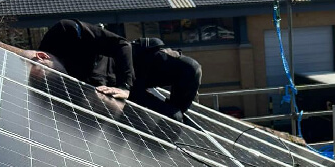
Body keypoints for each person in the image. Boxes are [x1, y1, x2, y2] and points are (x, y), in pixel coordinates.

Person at [23, 19, 202, 122]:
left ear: (42, 56)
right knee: (173, 118)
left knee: (190, 69)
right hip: (115, 92)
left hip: (131, 63)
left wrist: (125, 85)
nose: (51, 79)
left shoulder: (65, 32)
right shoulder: (50, 87)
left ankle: (180, 113)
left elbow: (121, 44)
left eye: (44, 74)